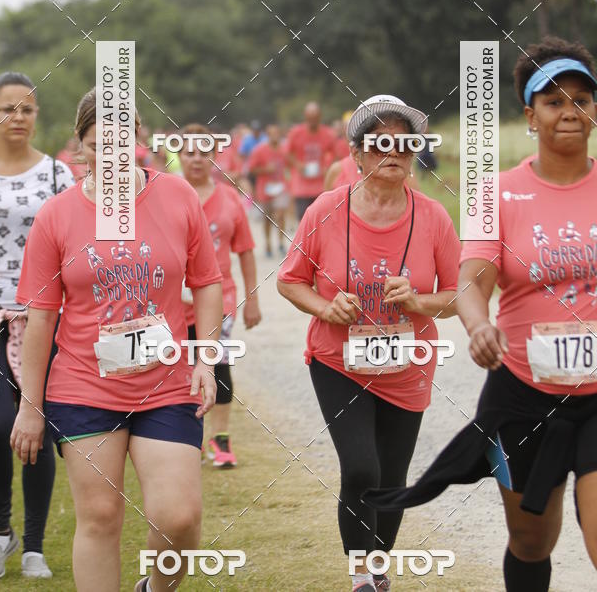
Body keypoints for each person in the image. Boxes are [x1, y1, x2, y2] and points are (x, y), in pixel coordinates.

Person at [365, 39, 597, 592]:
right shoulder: (497, 192)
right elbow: (472, 279)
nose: (570, 112)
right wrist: (477, 324)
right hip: (521, 393)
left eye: (582, 99)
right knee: (531, 541)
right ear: (529, 115)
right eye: (554, 101)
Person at [10, 89, 223, 592]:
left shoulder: (177, 196)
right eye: (96, 144)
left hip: (167, 383)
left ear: (141, 141)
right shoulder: (55, 216)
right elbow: (40, 321)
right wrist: (30, 406)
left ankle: (154, 587)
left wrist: (207, 358)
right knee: (101, 515)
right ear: (79, 150)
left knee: (179, 518)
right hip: (83, 385)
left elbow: (208, 282)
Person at [278, 94, 460, 592]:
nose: (394, 152)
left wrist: (421, 302)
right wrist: (325, 307)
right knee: (361, 466)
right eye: (381, 142)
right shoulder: (324, 210)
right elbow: (290, 281)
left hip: (408, 362)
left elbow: (458, 295)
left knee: (393, 477)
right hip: (339, 360)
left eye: (405, 143)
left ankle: (378, 571)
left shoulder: (434, 218)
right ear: (356, 153)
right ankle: (360, 578)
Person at [0, 72, 75, 580]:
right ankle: (2, 532)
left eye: (26, 109)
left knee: (33, 428)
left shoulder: (57, 175)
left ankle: (35, 546)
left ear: (37, 115)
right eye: (6, 109)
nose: (16, 118)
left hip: (41, 317)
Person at [179, 124, 261, 468]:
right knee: (180, 367)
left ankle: (220, 439)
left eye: (204, 153)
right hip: (173, 299)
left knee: (216, 362)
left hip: (220, 298)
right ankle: (187, 437)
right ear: (178, 156)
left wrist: (252, 300)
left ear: (214, 156)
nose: (197, 160)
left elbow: (244, 250)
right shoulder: (165, 192)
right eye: (189, 152)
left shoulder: (229, 198)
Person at [285, 102, 337, 221]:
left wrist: (327, 167)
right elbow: (287, 153)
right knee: (303, 221)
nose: (312, 121)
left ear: (319, 117)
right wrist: (298, 165)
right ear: (305, 117)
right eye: (310, 118)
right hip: (301, 186)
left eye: (315, 118)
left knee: (320, 221)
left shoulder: (327, 134)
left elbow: (335, 154)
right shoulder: (296, 133)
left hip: (320, 186)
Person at [247, 124, 290, 257]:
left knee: (281, 214)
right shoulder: (259, 150)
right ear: (268, 135)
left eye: (277, 133)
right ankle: (268, 243)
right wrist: (266, 169)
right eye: (272, 134)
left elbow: (289, 165)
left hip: (280, 186)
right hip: (265, 188)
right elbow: (251, 170)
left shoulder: (284, 149)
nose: (275, 137)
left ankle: (281, 243)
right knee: (267, 217)